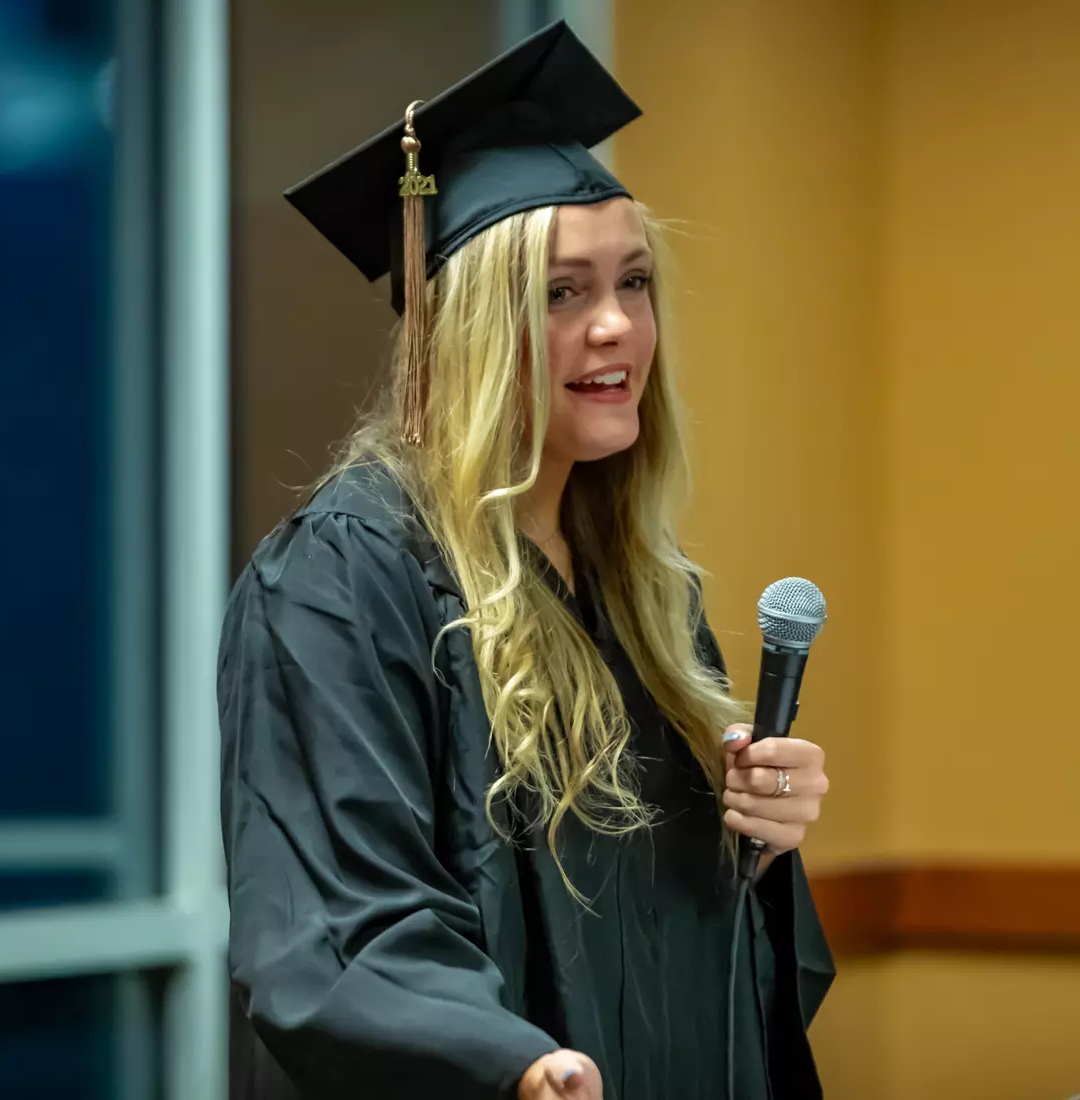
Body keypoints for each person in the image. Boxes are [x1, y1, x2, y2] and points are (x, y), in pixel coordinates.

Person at [218, 22, 833, 1100]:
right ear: (467, 329)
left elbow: (679, 943)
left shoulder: (645, 588)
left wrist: (761, 841)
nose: (615, 328)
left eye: (634, 282)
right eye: (561, 293)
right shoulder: (346, 579)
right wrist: (512, 1063)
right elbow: (338, 919)